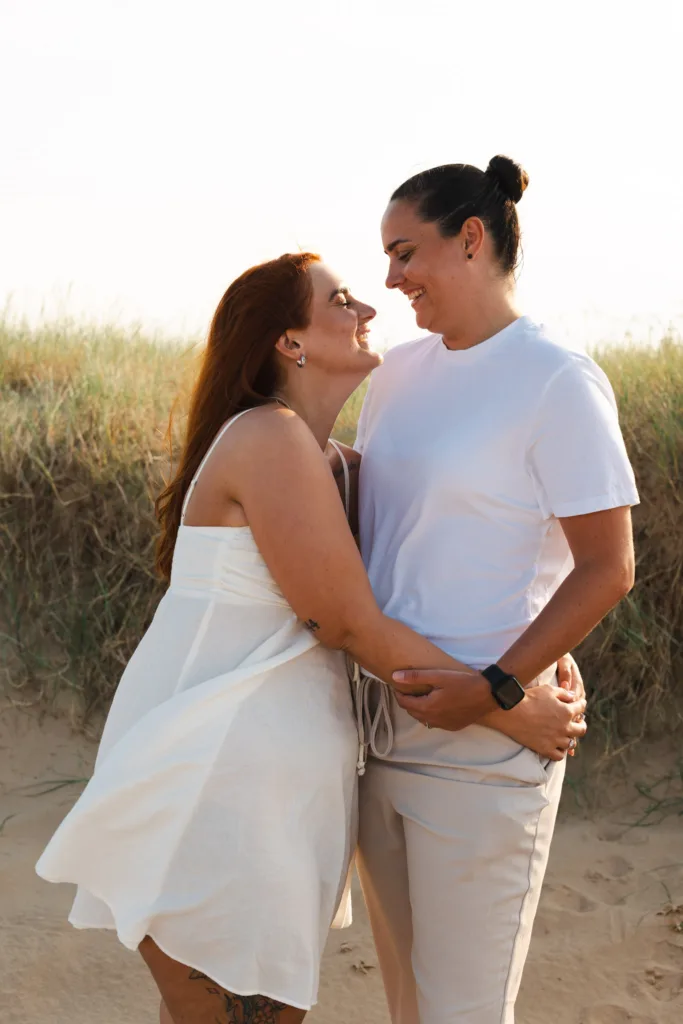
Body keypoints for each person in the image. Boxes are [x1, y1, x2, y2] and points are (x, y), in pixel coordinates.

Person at [35, 252, 586, 1024]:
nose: (368, 308)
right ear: (288, 342)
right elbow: (348, 623)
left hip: (280, 788)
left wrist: (539, 638)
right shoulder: (268, 438)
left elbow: (454, 534)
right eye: (341, 300)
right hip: (217, 771)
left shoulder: (331, 461)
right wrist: (508, 705)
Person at [353, 155, 639, 1024]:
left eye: (405, 253)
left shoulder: (556, 379)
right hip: (375, 736)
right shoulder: (397, 374)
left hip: (485, 753)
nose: (389, 278)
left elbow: (607, 567)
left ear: (469, 238)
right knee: (407, 1008)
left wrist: (501, 687)